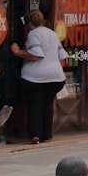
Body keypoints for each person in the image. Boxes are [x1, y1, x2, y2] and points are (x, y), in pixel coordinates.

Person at [9, 10, 67, 145]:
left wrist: (18, 52)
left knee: (35, 106)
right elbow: (62, 55)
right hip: (56, 77)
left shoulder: (33, 34)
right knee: (47, 106)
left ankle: (35, 135)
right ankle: (46, 135)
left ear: (29, 23)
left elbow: (35, 55)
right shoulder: (52, 34)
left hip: (35, 78)